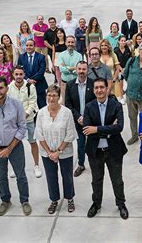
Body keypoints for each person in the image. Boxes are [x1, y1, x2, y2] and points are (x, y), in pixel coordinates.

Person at [0, 76, 31, 216]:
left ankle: (24, 201)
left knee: (21, 175)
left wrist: (9, 148)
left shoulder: (16, 104)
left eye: (1, 88)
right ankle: (5, 200)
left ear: (7, 88)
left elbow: (22, 127)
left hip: (15, 147)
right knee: (1, 177)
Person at [83, 78, 129, 220]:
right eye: (96, 88)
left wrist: (96, 129)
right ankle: (96, 204)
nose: (99, 90)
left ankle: (121, 204)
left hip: (113, 150)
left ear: (107, 88)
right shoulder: (89, 107)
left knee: (117, 180)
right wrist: (109, 129)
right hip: (95, 151)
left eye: (102, 87)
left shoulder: (116, 106)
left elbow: (119, 127)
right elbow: (86, 129)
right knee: (96, 180)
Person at [35, 84, 78, 214]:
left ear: (59, 97)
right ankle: (54, 200)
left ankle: (69, 198)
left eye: (54, 95)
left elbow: (70, 134)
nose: (51, 98)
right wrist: (49, 153)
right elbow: (39, 135)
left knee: (67, 176)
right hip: (46, 152)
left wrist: (58, 152)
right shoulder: (41, 113)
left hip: (64, 151)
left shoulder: (67, 113)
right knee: (51, 177)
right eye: (49, 95)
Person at [7, 66, 41, 178]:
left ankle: (36, 165)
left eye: (21, 74)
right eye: (16, 74)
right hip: (15, 122)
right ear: (13, 75)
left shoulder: (30, 86)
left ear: (24, 74)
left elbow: (32, 103)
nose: (18, 77)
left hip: (29, 120)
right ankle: (16, 168)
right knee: (15, 144)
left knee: (33, 142)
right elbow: (8, 104)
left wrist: (25, 115)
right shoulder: (9, 88)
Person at [65, 61, 96, 177]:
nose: (82, 72)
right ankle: (81, 164)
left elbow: (96, 102)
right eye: (79, 69)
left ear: (87, 70)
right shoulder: (70, 85)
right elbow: (68, 104)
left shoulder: (93, 84)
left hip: (92, 120)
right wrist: (78, 117)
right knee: (81, 143)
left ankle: (94, 164)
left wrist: (87, 118)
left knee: (93, 144)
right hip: (78, 121)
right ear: (76, 70)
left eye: (84, 69)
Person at [18, 39, 48, 109]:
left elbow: (41, 72)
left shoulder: (41, 57)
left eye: (31, 45)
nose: (29, 47)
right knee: (27, 106)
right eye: (27, 45)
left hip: (39, 85)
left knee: (42, 106)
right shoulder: (21, 57)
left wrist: (32, 80)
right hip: (26, 85)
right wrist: (28, 80)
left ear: (34, 46)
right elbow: (19, 71)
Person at [57, 35, 83, 103]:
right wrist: (73, 68)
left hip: (76, 84)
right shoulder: (61, 55)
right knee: (65, 102)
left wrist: (67, 67)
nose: (70, 44)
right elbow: (62, 69)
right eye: (68, 42)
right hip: (64, 84)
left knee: (76, 102)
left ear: (75, 43)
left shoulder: (79, 56)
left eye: (72, 42)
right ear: (65, 43)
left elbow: (80, 70)